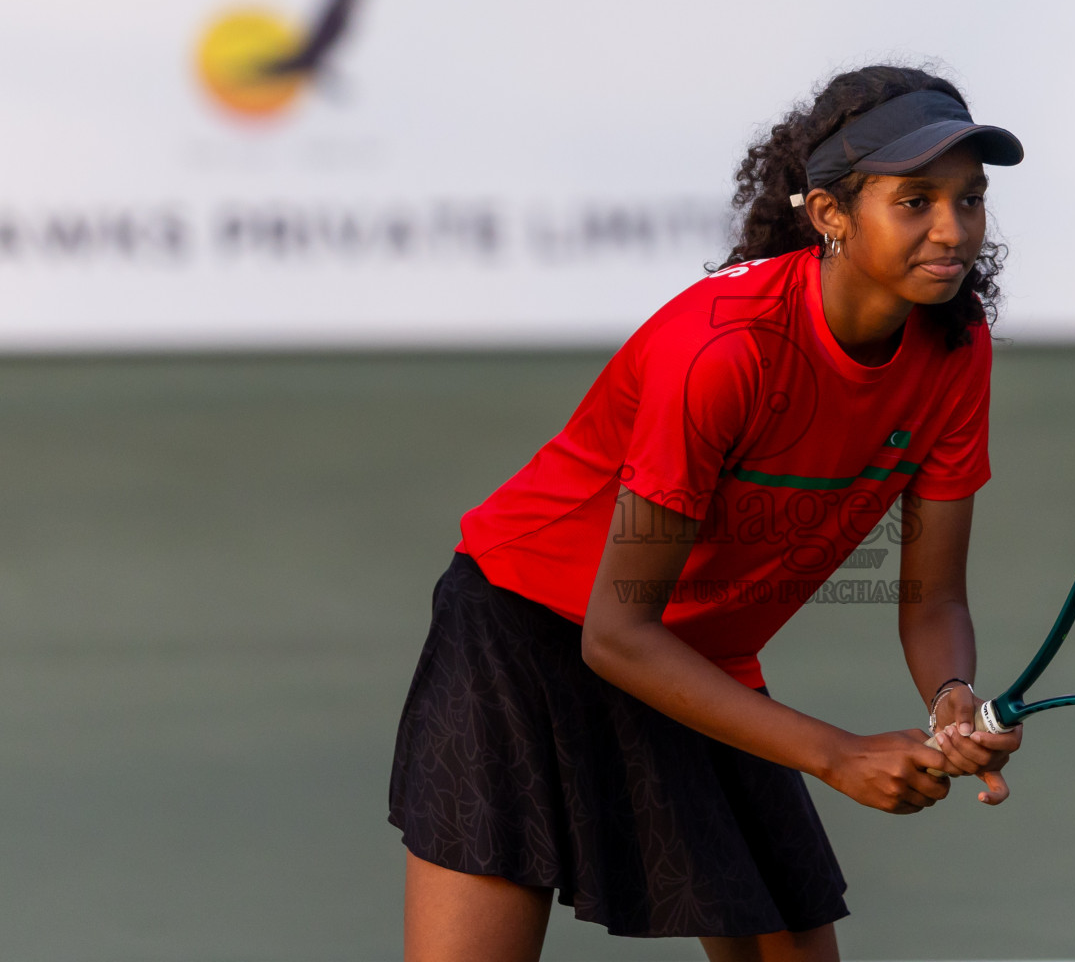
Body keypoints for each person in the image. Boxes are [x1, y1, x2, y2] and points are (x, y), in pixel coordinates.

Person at [388, 64, 1026, 962]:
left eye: (970, 199)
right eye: (914, 201)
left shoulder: (956, 353)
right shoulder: (725, 352)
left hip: (693, 656)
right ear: (830, 214)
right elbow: (615, 635)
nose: (952, 229)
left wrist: (952, 699)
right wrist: (836, 753)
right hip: (521, 631)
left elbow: (931, 601)